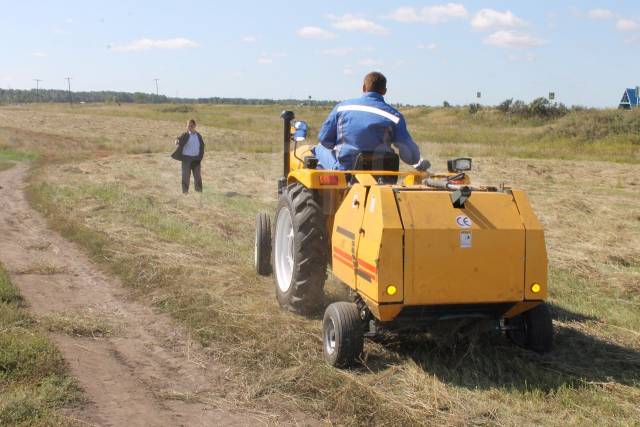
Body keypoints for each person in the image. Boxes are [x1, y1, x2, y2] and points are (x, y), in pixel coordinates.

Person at [314, 71, 430, 172]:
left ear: (364, 88)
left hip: (346, 172)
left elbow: (325, 140)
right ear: (384, 91)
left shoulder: (342, 108)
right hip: (382, 173)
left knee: (319, 147)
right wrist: (416, 160)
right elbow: (411, 156)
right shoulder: (394, 116)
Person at [171, 119, 205, 193]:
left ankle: (199, 191)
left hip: (196, 158)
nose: (190, 127)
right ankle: (185, 192)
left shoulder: (198, 135)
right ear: (186, 127)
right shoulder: (185, 135)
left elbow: (202, 146)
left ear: (195, 126)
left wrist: (200, 156)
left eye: (191, 126)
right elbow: (178, 139)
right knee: (185, 176)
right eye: (188, 126)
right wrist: (176, 141)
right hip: (186, 159)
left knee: (197, 176)